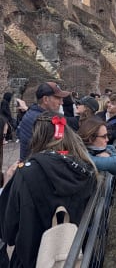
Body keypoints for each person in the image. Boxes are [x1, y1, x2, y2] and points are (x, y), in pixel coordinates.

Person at [0, 111, 98, 267]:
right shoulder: (86, 169)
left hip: (34, 259)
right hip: (75, 255)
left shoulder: (26, 172)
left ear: (37, 135)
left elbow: (8, 231)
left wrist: (7, 186)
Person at [16, 82, 72, 161]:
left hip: (30, 165)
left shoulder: (31, 113)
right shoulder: (45, 120)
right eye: (58, 98)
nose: (61, 102)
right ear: (45, 99)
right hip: (39, 168)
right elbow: (59, 150)